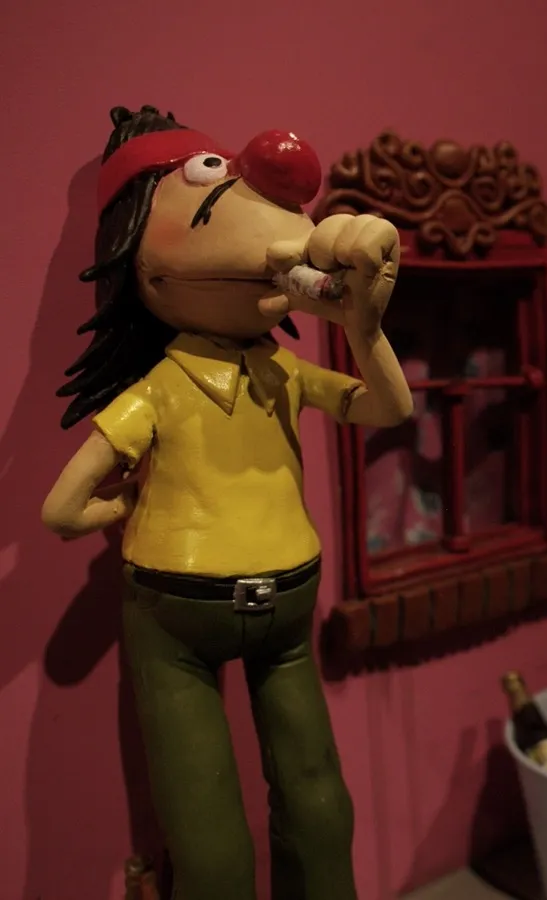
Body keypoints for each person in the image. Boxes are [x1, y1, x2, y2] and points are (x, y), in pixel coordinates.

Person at [41, 105, 415, 900]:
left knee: (263, 821)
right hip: (247, 596)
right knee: (277, 819)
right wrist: (118, 511)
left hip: (207, 597)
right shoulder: (180, 389)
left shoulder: (251, 378)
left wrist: (363, 327)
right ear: (144, 271)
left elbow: (64, 510)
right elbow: (63, 507)